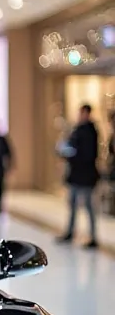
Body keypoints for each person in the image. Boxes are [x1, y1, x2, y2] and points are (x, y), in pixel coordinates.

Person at [57, 104, 100, 248]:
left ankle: (93, 237)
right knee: (73, 204)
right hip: (76, 174)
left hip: (86, 175)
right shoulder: (78, 130)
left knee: (88, 206)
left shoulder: (90, 132)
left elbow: (88, 154)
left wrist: (73, 154)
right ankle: (70, 232)